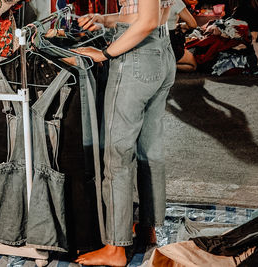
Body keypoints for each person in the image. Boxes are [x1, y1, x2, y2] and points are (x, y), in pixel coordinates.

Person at [71, 0, 176, 265]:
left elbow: (147, 20)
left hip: (136, 57)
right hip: (160, 51)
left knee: (117, 155)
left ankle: (115, 248)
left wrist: (104, 54)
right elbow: (143, 12)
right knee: (148, 149)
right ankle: (147, 227)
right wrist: (105, 20)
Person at [167, 0, 198, 72]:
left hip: (148, 39)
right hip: (168, 42)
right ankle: (166, 67)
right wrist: (181, 25)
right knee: (193, 65)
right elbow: (193, 24)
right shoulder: (175, 1)